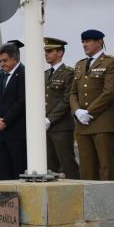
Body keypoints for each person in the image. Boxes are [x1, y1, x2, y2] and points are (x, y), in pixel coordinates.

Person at [70, 29, 114, 180]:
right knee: (86, 168)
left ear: (99, 42)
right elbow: (72, 93)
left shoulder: (110, 62)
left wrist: (89, 112)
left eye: (88, 41)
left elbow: (109, 92)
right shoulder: (80, 65)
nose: (84, 45)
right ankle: (88, 202)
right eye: (83, 42)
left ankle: (106, 202)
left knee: (105, 166)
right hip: (82, 125)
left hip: (102, 123)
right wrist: (77, 111)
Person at [44, 37, 80, 179]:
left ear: (60, 53)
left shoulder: (68, 73)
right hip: (46, 126)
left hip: (61, 126)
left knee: (67, 164)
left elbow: (67, 100)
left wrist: (50, 119)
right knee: (50, 166)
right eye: (45, 51)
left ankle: (76, 194)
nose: (46, 54)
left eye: (49, 51)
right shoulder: (45, 74)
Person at [0, 41, 27, 180]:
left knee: (19, 169)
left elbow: (21, 101)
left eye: (5, 60)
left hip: (17, 132)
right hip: (0, 132)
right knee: (4, 171)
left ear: (15, 58)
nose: (2, 64)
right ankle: (7, 201)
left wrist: (6, 120)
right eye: (0, 61)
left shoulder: (24, 73)